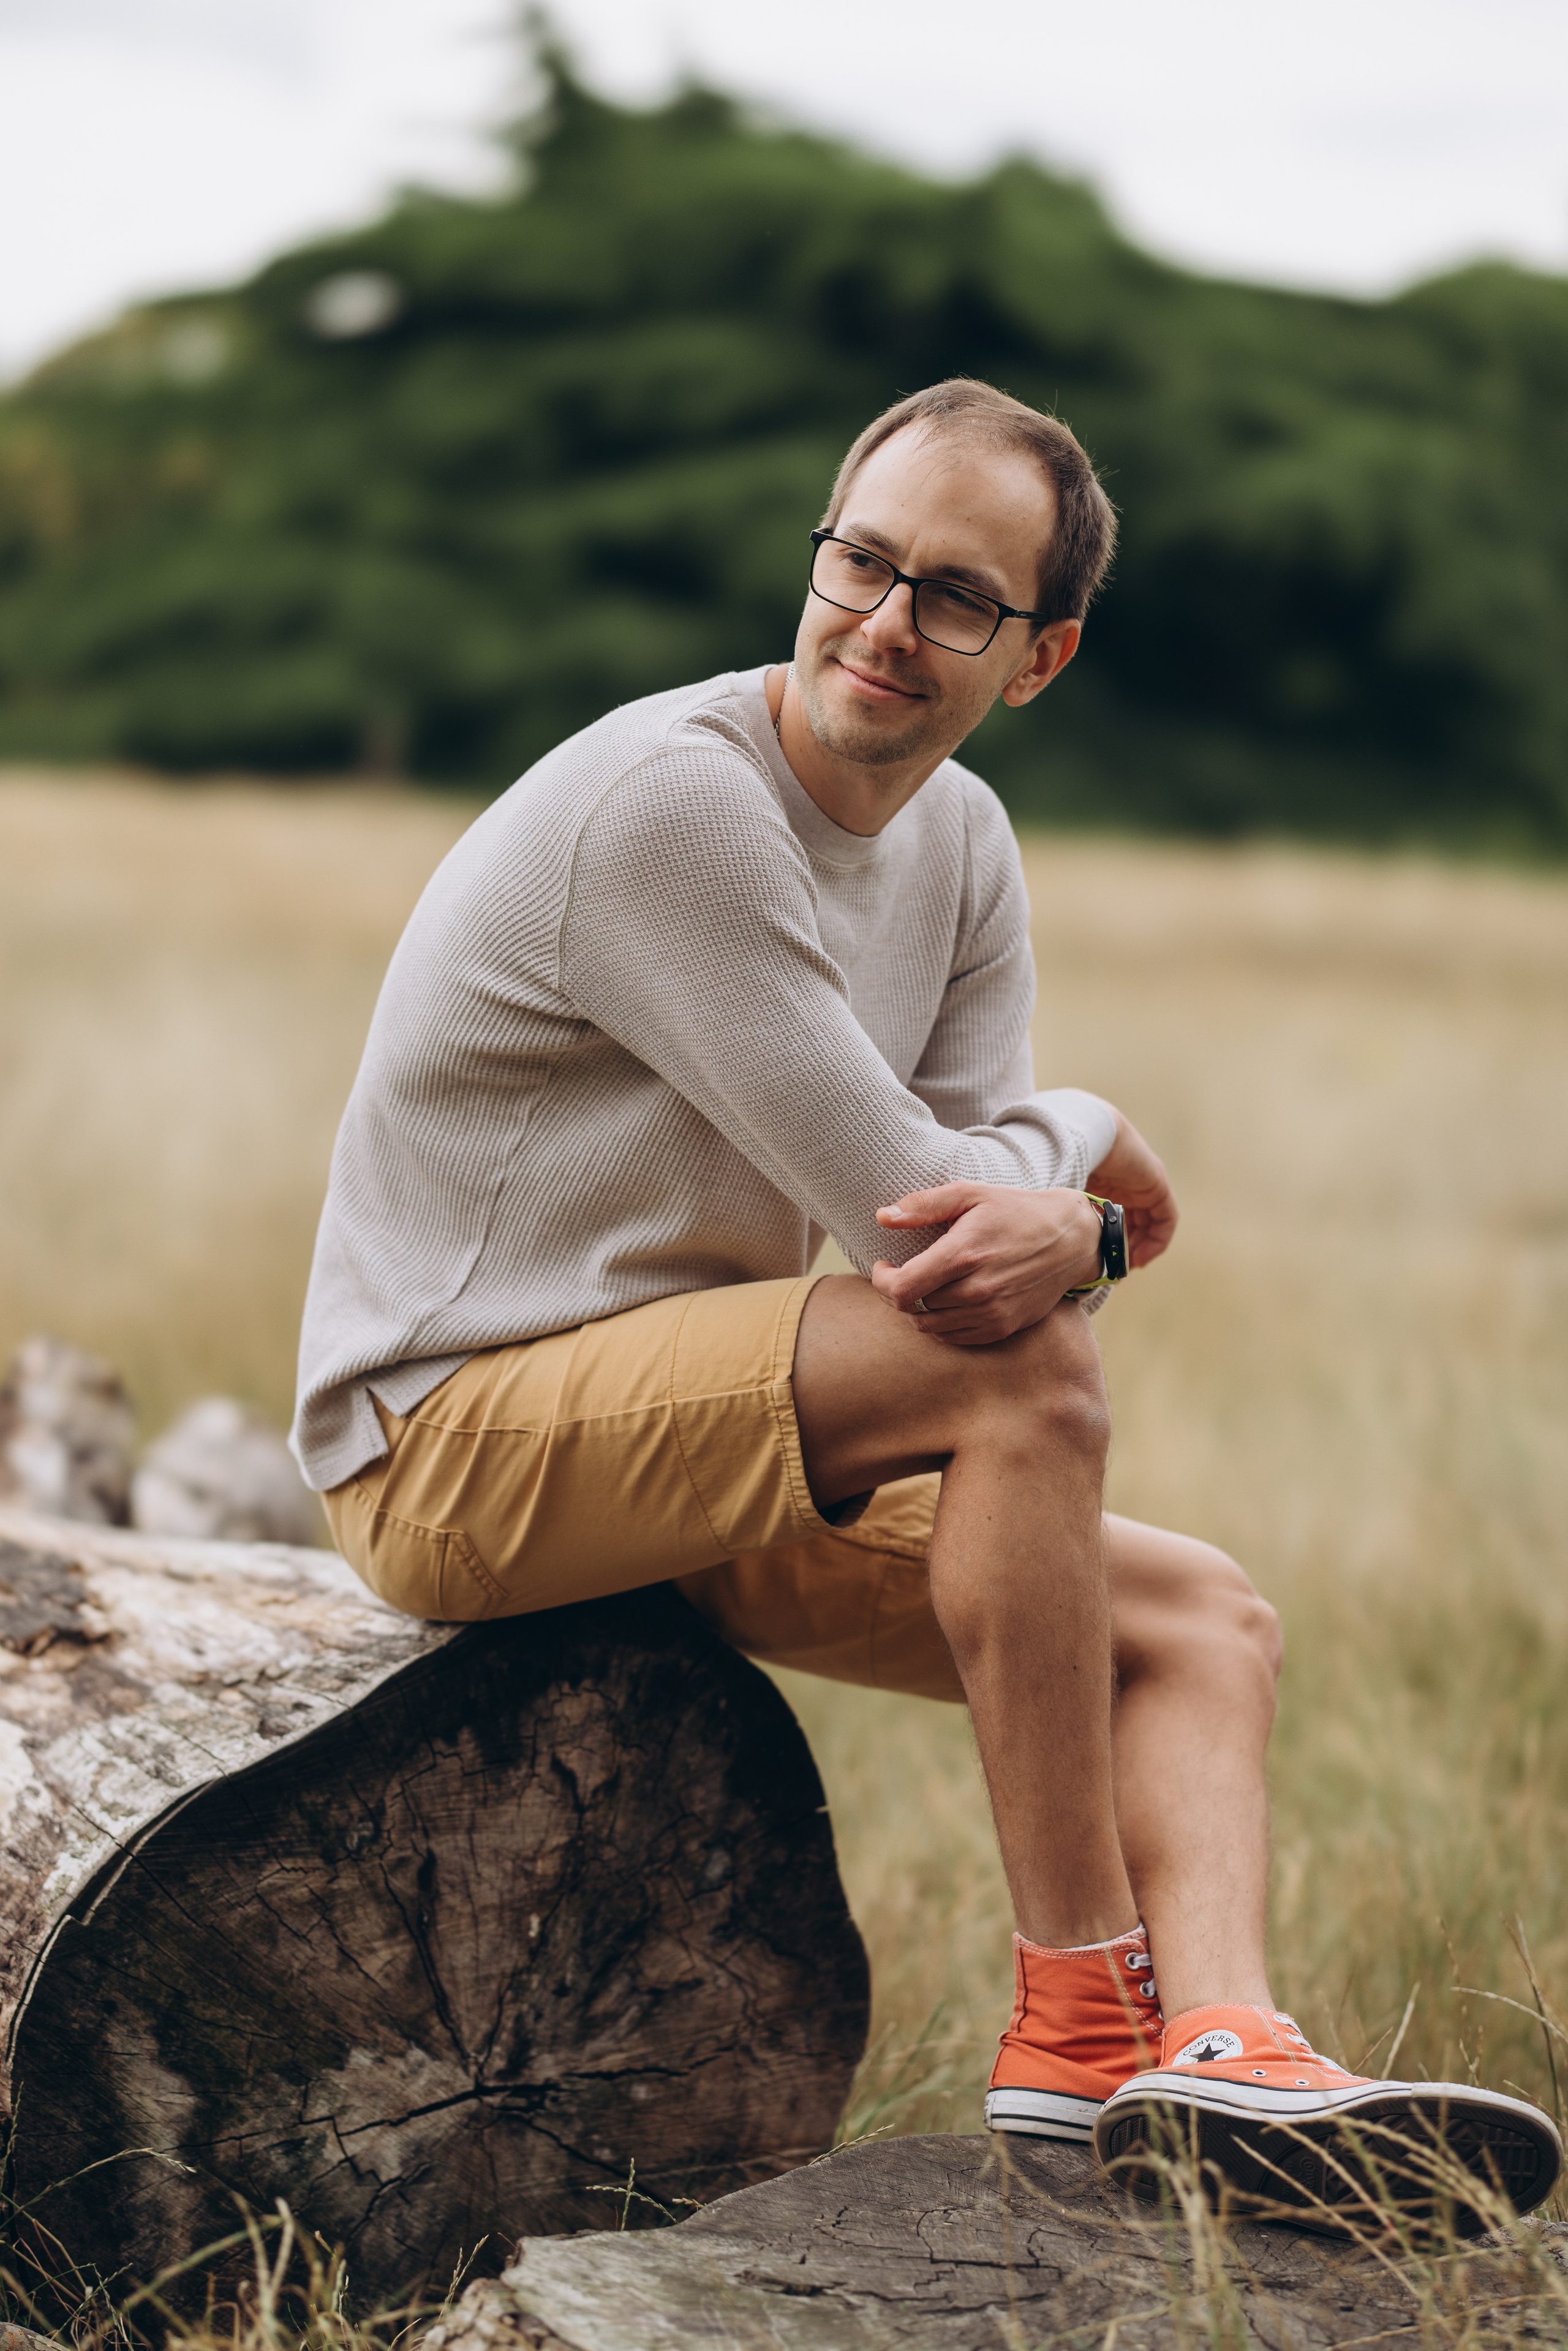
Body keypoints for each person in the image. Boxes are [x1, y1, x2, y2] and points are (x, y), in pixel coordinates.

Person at [290, 377, 1559, 2224]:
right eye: (863, 561)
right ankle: (1077, 2016)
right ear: (818, 556)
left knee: (1207, 1621)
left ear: (1035, 658)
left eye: (956, 595)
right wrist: (1097, 1156)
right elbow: (933, 1234)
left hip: (694, 1460)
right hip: (451, 1441)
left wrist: (1077, 1214)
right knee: (1020, 1365)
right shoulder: (673, 807)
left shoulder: (960, 846)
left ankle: (1225, 2059)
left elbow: (988, 1224)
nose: (887, 623)